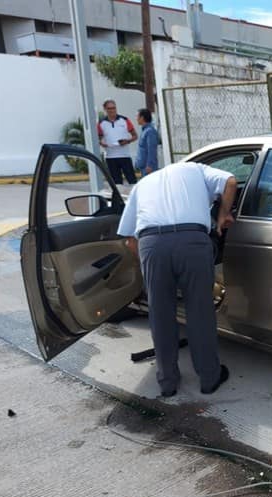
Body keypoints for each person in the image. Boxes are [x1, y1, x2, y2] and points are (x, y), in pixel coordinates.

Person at [117, 162, 238, 398]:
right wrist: (223, 213)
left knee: (160, 314)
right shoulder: (197, 169)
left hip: (151, 244)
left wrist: (148, 260)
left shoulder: (141, 185)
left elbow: (129, 240)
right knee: (200, 311)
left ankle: (168, 382)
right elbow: (231, 183)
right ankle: (209, 378)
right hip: (193, 240)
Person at [98, 99, 138, 186]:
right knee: (116, 184)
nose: (112, 110)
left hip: (125, 156)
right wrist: (102, 143)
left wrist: (127, 141)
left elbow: (135, 136)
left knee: (132, 181)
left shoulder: (124, 120)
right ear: (105, 109)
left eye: (114, 108)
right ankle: (118, 199)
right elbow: (99, 138)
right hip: (111, 157)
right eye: (109, 108)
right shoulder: (101, 123)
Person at [135, 108, 159, 177]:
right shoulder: (144, 131)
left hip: (148, 168)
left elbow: (151, 149)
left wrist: (150, 165)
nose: (136, 118)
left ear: (142, 118)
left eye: (137, 116)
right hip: (143, 167)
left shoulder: (150, 131)